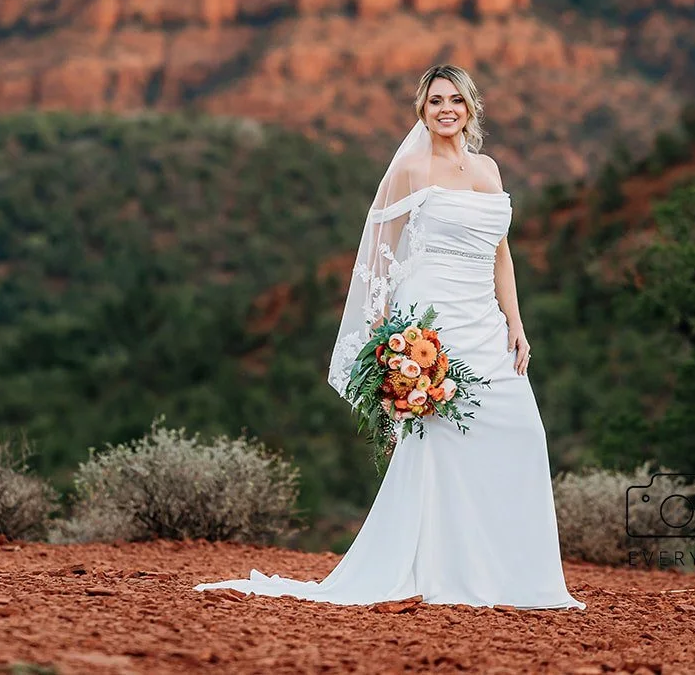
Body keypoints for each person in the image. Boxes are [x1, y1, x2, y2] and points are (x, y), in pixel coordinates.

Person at [196, 64, 585, 609]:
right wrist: (387, 331)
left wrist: (516, 325)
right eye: (434, 102)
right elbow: (379, 249)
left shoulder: (490, 170)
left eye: (454, 100)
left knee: (520, 432)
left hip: (485, 321)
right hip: (433, 321)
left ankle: (515, 575)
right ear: (421, 111)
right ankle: (440, 571)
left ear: (471, 107)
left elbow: (501, 253)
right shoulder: (410, 169)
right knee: (439, 446)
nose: (445, 109)